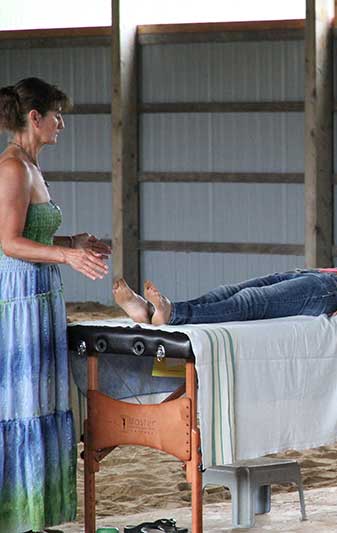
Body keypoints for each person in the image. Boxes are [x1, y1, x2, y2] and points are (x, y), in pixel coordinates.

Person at [0, 78, 111, 532]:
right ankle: (17, 517)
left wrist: (72, 241)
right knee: (25, 402)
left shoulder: (31, 165)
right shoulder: (12, 168)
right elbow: (8, 242)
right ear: (35, 117)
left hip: (42, 293)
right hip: (23, 296)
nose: (61, 123)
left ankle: (37, 516)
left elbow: (33, 233)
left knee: (45, 399)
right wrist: (66, 255)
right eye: (57, 115)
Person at [112, 259, 337, 325]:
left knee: (250, 303)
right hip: (319, 276)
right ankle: (150, 310)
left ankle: (175, 315)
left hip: (335, 288)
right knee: (231, 291)